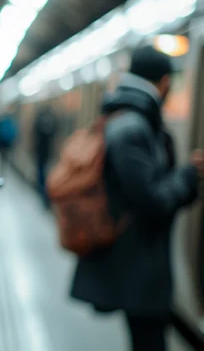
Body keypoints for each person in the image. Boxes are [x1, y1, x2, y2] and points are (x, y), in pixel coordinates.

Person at [70, 46, 204, 351]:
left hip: (136, 261)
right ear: (165, 82)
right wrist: (187, 177)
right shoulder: (133, 127)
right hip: (139, 264)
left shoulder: (124, 119)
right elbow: (151, 199)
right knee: (149, 340)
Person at [33, 104, 58, 207]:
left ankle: (43, 193)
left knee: (41, 173)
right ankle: (45, 194)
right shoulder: (52, 120)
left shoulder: (39, 119)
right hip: (48, 152)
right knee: (45, 173)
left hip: (41, 152)